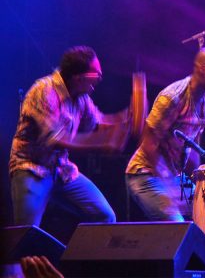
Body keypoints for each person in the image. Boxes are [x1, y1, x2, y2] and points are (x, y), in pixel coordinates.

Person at [9, 46, 127, 226]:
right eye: (96, 75)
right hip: (32, 168)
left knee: (105, 217)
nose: (99, 79)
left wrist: (126, 117)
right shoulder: (44, 91)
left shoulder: (80, 97)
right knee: (26, 234)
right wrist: (100, 144)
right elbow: (56, 139)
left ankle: (81, 254)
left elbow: (98, 122)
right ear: (78, 77)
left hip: (61, 170)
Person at [125, 47, 205, 221]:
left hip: (172, 176)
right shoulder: (173, 97)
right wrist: (170, 186)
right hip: (145, 175)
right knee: (176, 223)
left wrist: (199, 182)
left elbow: (193, 147)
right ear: (202, 69)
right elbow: (148, 143)